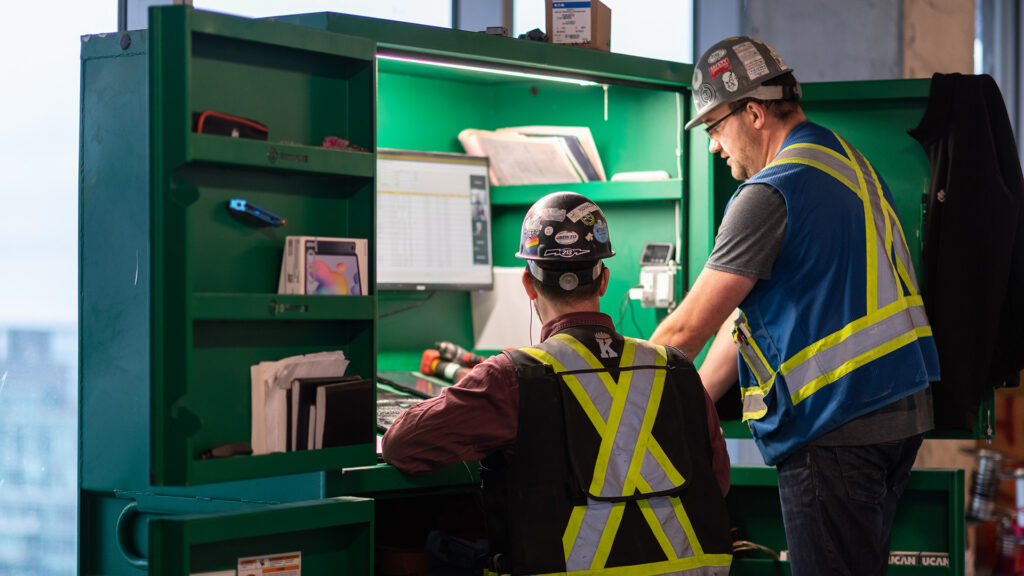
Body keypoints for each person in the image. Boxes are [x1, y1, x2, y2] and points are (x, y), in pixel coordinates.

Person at [650, 36, 940, 575]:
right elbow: (743, 314)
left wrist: (604, 392)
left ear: (754, 112)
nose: (714, 146)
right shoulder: (845, 160)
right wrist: (693, 397)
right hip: (899, 409)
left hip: (838, 424)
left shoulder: (771, 190)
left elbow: (687, 329)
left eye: (715, 127)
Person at [383, 192, 733, 576]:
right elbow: (717, 479)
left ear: (528, 285)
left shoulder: (511, 378)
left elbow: (403, 445)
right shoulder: (678, 369)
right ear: (603, 280)